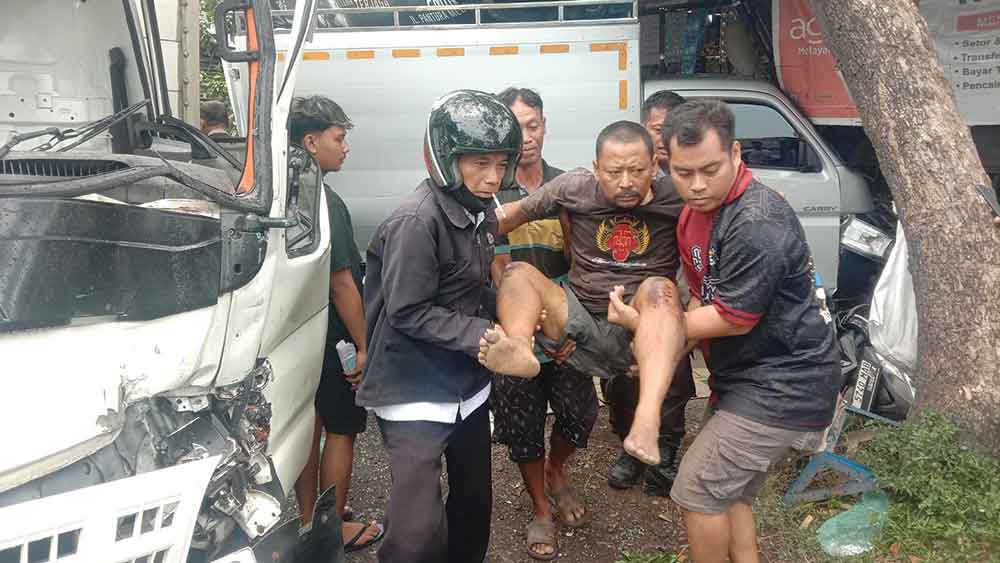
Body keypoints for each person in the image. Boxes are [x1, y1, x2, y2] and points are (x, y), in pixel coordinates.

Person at [609, 99, 842, 563]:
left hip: (785, 383)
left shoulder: (757, 220)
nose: (696, 185)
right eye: (682, 172)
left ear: (736, 154)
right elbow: (699, 299)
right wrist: (659, 348)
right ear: (665, 163)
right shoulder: (694, 216)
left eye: (710, 170)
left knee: (697, 487)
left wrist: (646, 326)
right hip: (743, 379)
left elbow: (732, 318)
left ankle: (648, 419)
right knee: (729, 491)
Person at [356, 90, 522, 563]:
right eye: (479, 163)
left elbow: (468, 291)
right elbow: (408, 311)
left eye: (501, 163)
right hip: (413, 391)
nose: (493, 177)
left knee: (473, 505)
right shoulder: (416, 221)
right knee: (416, 530)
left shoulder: (480, 212)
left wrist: (514, 311)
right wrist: (482, 336)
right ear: (445, 159)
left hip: (467, 388)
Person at [479, 120, 687, 468]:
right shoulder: (574, 186)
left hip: (640, 327)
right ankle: (518, 347)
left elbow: (725, 200)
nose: (625, 182)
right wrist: (450, 227)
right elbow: (505, 219)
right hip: (578, 321)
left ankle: (647, 422)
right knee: (517, 274)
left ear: (654, 166)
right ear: (595, 169)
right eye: (613, 171)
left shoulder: (677, 194)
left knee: (661, 289)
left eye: (637, 171)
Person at [489, 87, 598, 561]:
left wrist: (569, 326)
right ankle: (540, 506)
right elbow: (495, 267)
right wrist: (522, 333)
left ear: (545, 125)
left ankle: (557, 470)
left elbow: (585, 262)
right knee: (521, 420)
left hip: (565, 322)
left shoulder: (569, 187)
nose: (527, 137)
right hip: (516, 330)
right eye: (517, 129)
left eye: (533, 125)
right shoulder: (492, 190)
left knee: (580, 412)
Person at [288, 95, 384, 553]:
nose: (344, 148)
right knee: (341, 429)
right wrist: (365, 344)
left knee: (308, 427)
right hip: (332, 340)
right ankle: (334, 531)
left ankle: (309, 519)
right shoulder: (326, 201)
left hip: (293, 338)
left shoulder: (280, 194)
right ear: (311, 142)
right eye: (338, 138)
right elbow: (343, 283)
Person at [605, 90, 696, 496]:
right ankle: (631, 449)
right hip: (629, 297)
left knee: (672, 378)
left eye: (675, 129)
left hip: (674, 296)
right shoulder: (626, 178)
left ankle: (668, 451)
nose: (665, 138)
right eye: (659, 129)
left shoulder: (688, 183)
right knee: (626, 375)